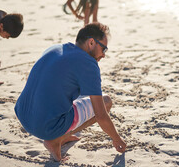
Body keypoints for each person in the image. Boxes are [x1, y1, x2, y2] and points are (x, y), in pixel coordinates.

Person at [14, 22, 126, 162]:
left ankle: (61, 135)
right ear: (91, 42)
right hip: (43, 127)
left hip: (23, 115)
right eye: (104, 49)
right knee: (106, 101)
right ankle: (55, 140)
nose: (104, 55)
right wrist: (117, 140)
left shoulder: (55, 48)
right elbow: (101, 114)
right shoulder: (89, 64)